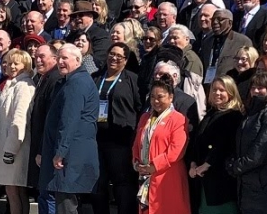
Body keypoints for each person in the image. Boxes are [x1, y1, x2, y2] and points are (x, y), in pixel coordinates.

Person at [42, 44, 100, 214]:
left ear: (77, 60)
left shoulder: (77, 82)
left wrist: (61, 152)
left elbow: (70, 120)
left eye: (64, 58)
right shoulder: (70, 81)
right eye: (58, 57)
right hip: (71, 152)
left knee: (66, 205)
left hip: (71, 155)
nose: (60, 61)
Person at [225, 71, 267, 214]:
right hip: (250, 187)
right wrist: (231, 161)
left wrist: (237, 167)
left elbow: (261, 148)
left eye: (261, 87)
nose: (256, 91)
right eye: (253, 87)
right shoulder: (251, 114)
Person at [92, 43, 141, 214]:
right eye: (111, 54)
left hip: (121, 142)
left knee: (122, 185)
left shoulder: (132, 80)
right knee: (98, 184)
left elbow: (139, 107)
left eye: (119, 56)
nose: (114, 58)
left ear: (126, 60)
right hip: (97, 141)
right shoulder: (96, 77)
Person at [188, 76, 243, 214]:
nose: (217, 93)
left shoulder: (234, 116)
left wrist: (206, 165)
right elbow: (198, 141)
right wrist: (193, 164)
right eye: (214, 89)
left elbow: (224, 146)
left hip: (221, 184)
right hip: (203, 182)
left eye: (222, 90)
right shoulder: (210, 114)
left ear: (230, 93)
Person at [0, 50, 37, 214]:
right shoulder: (13, 84)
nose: (11, 66)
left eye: (16, 63)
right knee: (15, 191)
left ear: (25, 65)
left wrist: (11, 149)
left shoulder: (24, 86)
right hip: (8, 144)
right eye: (9, 63)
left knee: (14, 191)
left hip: (15, 146)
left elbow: (20, 118)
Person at [134, 80, 190, 214]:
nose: (155, 101)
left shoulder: (178, 119)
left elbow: (176, 150)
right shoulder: (145, 117)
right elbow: (137, 143)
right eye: (152, 97)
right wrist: (136, 162)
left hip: (167, 175)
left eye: (160, 97)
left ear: (171, 97)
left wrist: (154, 166)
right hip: (146, 174)